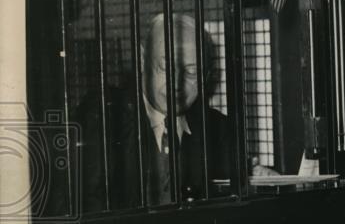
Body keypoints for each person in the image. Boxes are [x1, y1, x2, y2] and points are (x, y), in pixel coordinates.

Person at [75, 12, 232, 211]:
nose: (176, 84)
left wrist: (250, 177)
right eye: (166, 67)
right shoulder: (103, 118)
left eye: (192, 72)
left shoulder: (218, 128)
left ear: (206, 76)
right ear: (142, 60)